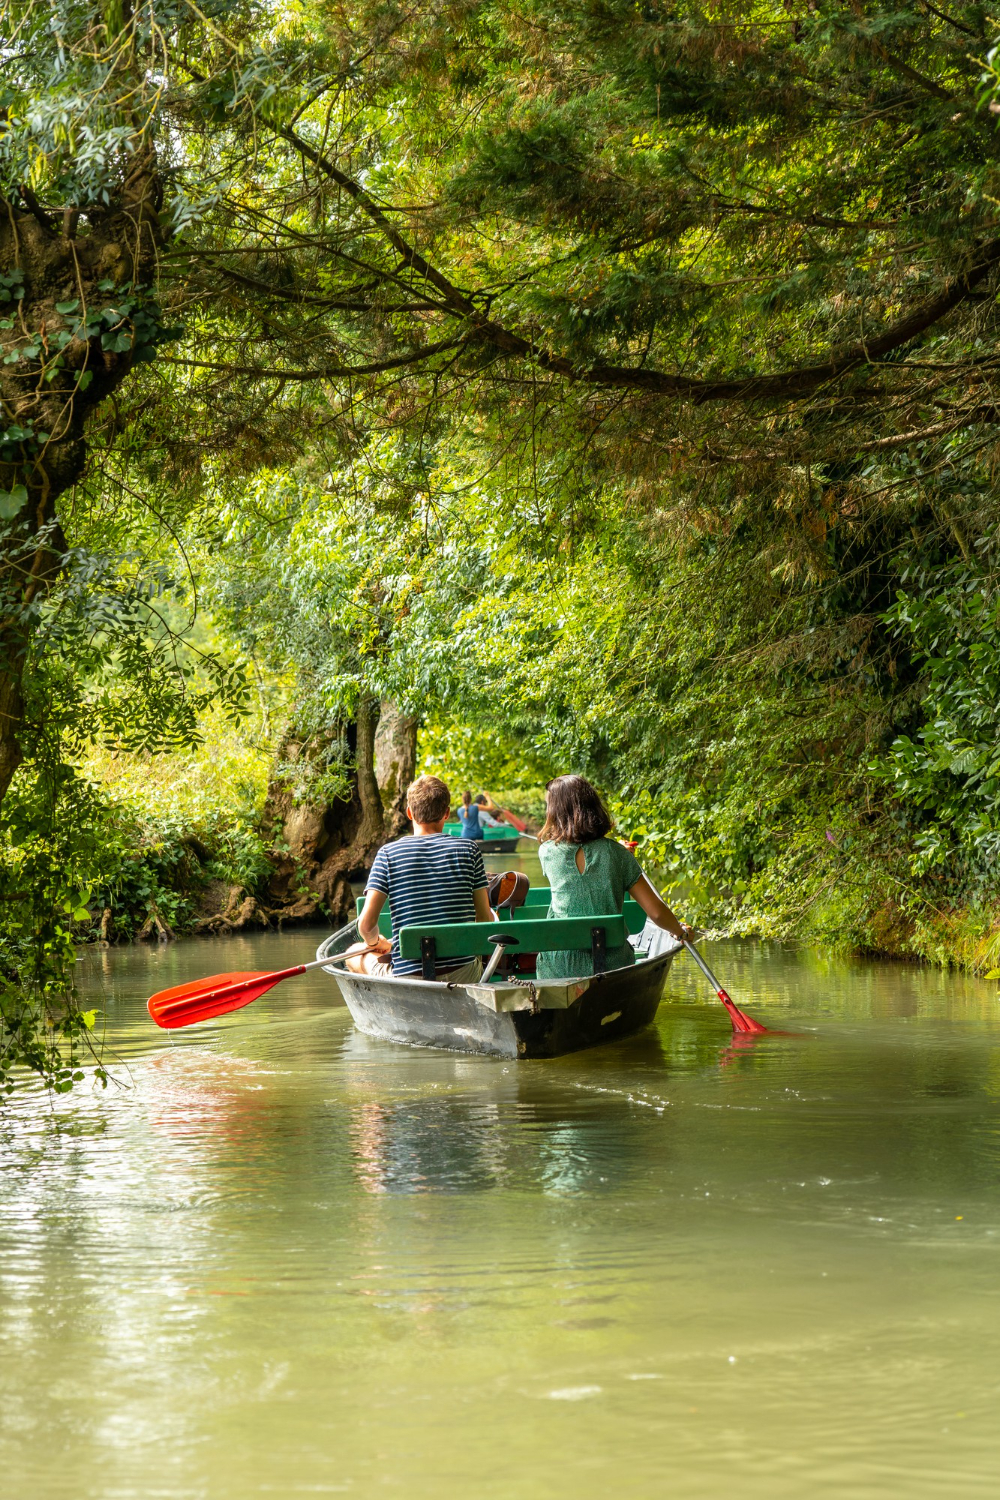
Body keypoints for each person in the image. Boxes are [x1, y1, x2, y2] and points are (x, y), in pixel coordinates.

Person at [536, 774, 690, 980]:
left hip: (559, 966)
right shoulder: (618, 855)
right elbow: (656, 913)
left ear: (556, 813)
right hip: (613, 964)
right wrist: (681, 932)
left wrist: (618, 855)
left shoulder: (546, 852)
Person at [345, 775, 494, 981]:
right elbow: (484, 919)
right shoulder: (469, 849)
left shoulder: (388, 854)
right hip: (463, 973)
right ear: (446, 813)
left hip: (409, 976)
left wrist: (375, 944)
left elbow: (366, 926)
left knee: (353, 953)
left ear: (409, 813)